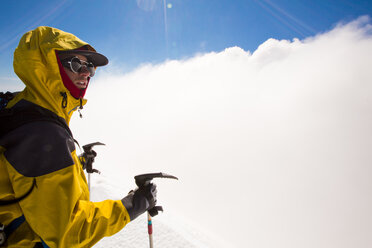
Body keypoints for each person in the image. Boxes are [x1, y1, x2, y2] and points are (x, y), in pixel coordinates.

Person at [0, 26, 157, 248]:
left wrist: (79, 161)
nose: (86, 73)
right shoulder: (42, 132)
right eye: (76, 64)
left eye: (90, 67)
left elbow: (31, 176)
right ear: (48, 65)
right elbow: (67, 231)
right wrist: (132, 205)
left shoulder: (21, 107)